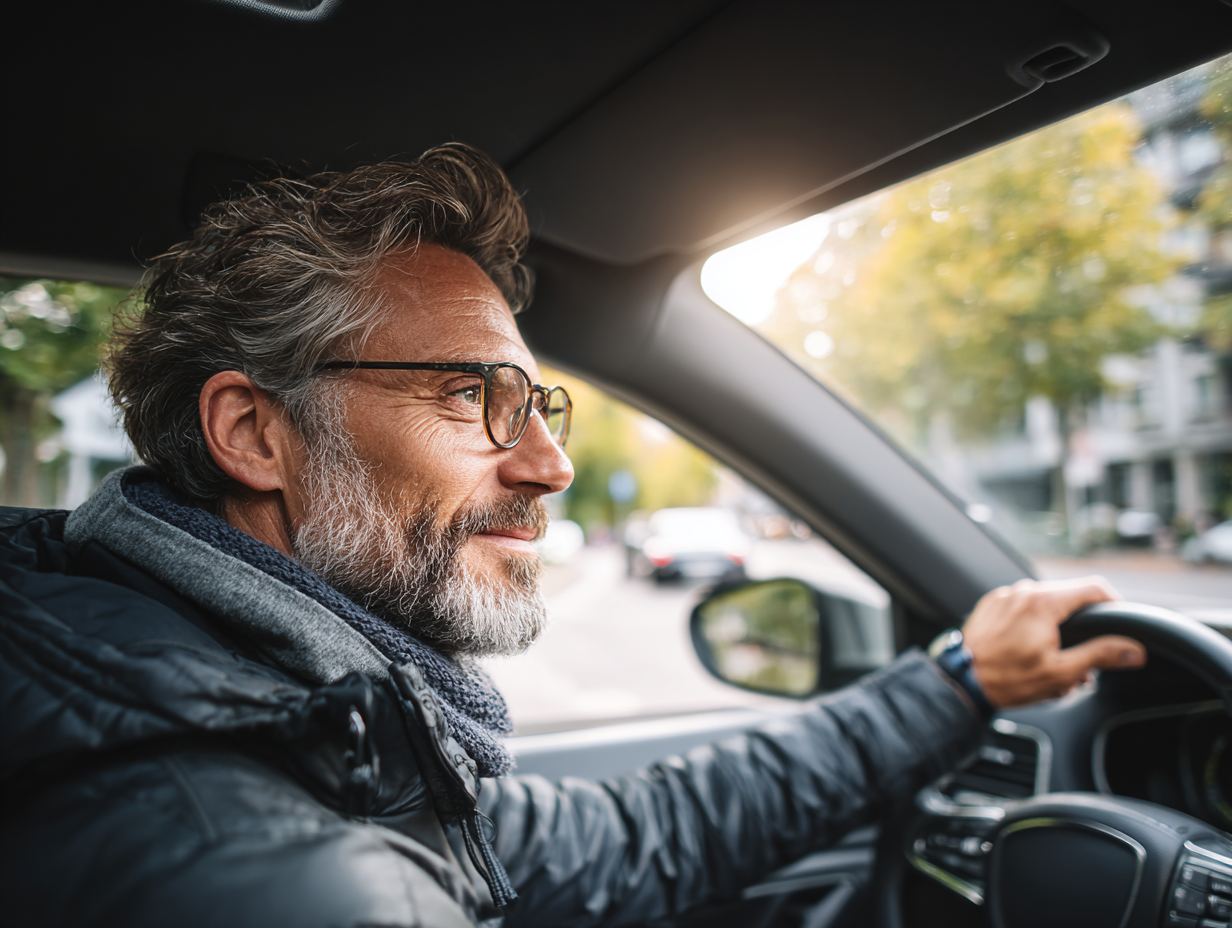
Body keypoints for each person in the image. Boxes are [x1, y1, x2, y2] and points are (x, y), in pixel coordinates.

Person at [0, 143, 1147, 928]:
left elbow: (625, 837)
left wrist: (955, 685)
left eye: (537, 405)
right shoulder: (283, 869)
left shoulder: (305, 719)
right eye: (467, 397)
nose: (546, 465)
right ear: (254, 432)